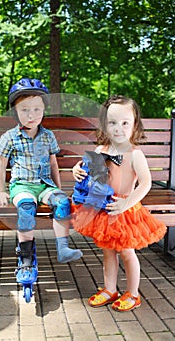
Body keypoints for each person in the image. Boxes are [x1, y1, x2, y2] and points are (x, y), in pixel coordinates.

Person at [71, 95, 167, 312]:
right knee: (107, 251)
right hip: (104, 210)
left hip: (125, 210)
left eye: (125, 123)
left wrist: (125, 205)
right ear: (104, 125)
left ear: (134, 125)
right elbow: (89, 173)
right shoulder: (99, 151)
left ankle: (133, 294)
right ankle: (109, 289)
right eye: (112, 123)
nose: (118, 128)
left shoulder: (135, 155)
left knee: (126, 252)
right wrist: (77, 169)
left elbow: (145, 184)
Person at [0, 78, 82, 288]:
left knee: (62, 203)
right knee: (26, 207)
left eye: (36, 109)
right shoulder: (9, 137)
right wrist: (0, 192)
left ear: (44, 110)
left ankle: (63, 248)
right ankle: (25, 260)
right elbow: (0, 165)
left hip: (44, 185)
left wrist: (57, 189)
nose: (31, 115)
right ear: (15, 112)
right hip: (22, 186)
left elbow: (53, 164)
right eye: (25, 110)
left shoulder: (48, 136)